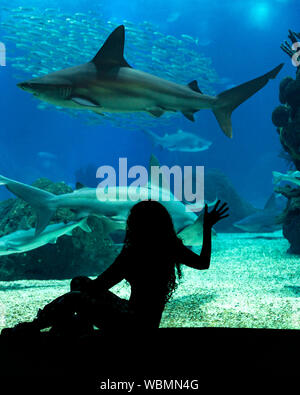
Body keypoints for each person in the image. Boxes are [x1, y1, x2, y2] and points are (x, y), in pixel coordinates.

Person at [2, 199, 229, 335]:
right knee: (80, 283)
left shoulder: (133, 252)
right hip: (146, 321)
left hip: (132, 325)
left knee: (76, 295)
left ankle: (33, 328)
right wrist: (206, 228)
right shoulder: (170, 247)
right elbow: (203, 263)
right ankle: (79, 330)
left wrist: (69, 305)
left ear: (134, 226)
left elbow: (100, 285)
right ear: (164, 224)